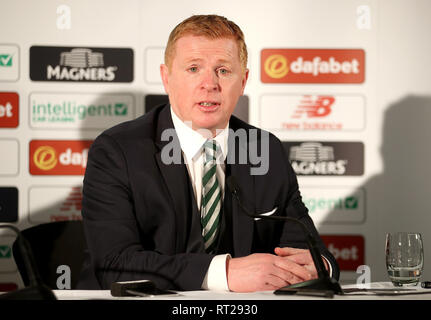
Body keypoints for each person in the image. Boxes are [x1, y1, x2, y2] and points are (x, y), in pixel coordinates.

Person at [77, 14, 339, 292]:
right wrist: (224, 273)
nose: (210, 84)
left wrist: (321, 266)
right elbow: (115, 265)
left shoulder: (266, 150)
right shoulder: (118, 151)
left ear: (244, 81)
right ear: (166, 78)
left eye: (223, 71)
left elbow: (310, 254)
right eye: (193, 69)